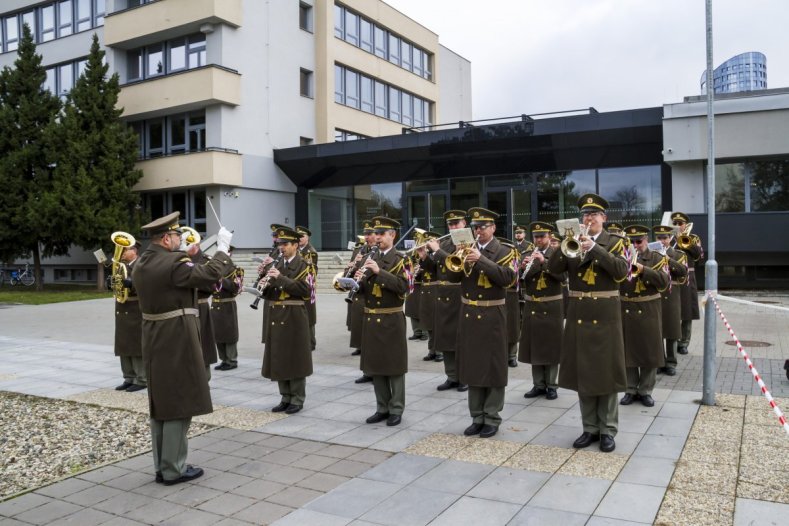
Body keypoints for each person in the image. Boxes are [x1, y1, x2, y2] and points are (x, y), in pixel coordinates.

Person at [133, 212, 234, 485]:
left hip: (154, 335)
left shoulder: (143, 261)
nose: (180, 240)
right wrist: (222, 250)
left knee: (162, 403)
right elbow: (210, 273)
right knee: (179, 401)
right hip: (176, 336)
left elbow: (180, 284)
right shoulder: (173, 262)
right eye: (177, 236)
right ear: (166, 238)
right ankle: (174, 469)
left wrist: (190, 258)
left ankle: (162, 464)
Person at [547, 194, 628, 453]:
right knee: (584, 374)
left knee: (605, 374)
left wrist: (594, 248)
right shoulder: (572, 241)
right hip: (579, 314)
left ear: (604, 218)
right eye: (585, 215)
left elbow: (621, 271)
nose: (588, 218)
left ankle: (608, 430)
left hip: (605, 315)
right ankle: (589, 428)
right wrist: (563, 245)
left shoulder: (616, 242)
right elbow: (553, 270)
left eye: (594, 214)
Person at [448, 207, 516, 438]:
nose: (479, 231)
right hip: (469, 315)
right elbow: (450, 277)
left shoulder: (505, 250)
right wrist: (455, 254)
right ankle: (476, 416)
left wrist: (481, 260)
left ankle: (492, 417)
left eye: (483, 227)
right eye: (475, 227)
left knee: (494, 367)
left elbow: (508, 278)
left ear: (493, 228)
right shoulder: (466, 249)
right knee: (473, 365)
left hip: (493, 314)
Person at [356, 216, 410, 427]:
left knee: (394, 366)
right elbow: (363, 289)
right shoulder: (369, 257)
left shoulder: (402, 259)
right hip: (371, 317)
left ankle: (396, 408)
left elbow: (404, 287)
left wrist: (379, 272)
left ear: (392, 235)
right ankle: (382, 407)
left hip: (391, 316)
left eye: (381, 234)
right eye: (375, 234)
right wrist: (352, 282)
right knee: (376, 364)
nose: (376, 238)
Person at [260, 226, 314, 414]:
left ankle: (297, 398)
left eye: (285, 244)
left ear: (295, 245)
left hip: (294, 314)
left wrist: (280, 278)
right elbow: (268, 293)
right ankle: (285, 396)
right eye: (279, 244)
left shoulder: (305, 265)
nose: (281, 248)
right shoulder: (277, 264)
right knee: (279, 355)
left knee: (295, 356)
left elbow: (306, 291)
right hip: (276, 314)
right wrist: (262, 278)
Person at [619, 225, 669, 408]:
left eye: (638, 241)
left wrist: (643, 270)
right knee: (628, 350)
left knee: (649, 350)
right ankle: (630, 389)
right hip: (626, 306)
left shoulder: (657, 258)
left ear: (646, 240)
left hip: (649, 307)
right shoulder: (622, 258)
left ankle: (645, 391)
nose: (635, 245)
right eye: (631, 242)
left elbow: (664, 282)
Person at [422, 210, 470, 392]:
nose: (453, 227)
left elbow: (455, 264)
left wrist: (437, 250)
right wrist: (424, 256)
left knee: (460, 339)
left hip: (459, 293)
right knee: (446, 337)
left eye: (457, 223)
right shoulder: (445, 242)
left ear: (464, 223)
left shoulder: (468, 242)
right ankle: (451, 376)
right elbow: (434, 270)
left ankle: (464, 377)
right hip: (443, 294)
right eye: (450, 224)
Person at [519, 222, 564, 400]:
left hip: (552, 305)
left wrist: (544, 262)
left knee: (551, 346)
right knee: (535, 345)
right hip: (533, 305)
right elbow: (522, 281)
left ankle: (552, 385)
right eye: (536, 236)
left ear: (549, 236)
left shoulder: (558, 254)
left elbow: (562, 277)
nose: (538, 240)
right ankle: (538, 385)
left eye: (542, 236)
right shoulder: (527, 254)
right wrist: (524, 269)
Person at [654, 225, 688, 376]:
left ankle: (671, 362)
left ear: (670, 238)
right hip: (656, 294)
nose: (662, 241)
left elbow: (682, 271)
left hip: (672, 293)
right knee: (657, 330)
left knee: (672, 329)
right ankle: (659, 362)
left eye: (665, 238)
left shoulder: (678, 254)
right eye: (659, 238)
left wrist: (667, 260)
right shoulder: (651, 253)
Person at [113, 241, 146, 392]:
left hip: (134, 308)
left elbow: (146, 283)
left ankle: (141, 378)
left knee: (135, 344)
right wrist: (112, 284)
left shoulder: (141, 264)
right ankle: (128, 377)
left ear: (134, 250)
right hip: (122, 307)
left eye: (125, 250)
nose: (123, 253)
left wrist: (131, 284)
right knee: (123, 343)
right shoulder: (122, 266)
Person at [672, 212, 704, 355]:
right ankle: (672, 341)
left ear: (686, 224)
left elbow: (699, 256)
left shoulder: (694, 238)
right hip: (672, 277)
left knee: (687, 311)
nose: (678, 226)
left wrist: (687, 242)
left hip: (688, 276)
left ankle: (684, 343)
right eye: (676, 224)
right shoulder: (668, 237)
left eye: (681, 223)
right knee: (673, 310)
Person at [349, 221, 376, 383]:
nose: (366, 237)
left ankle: (375, 371)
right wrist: (352, 267)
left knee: (372, 339)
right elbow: (349, 272)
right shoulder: (359, 251)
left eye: (370, 234)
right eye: (365, 234)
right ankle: (367, 371)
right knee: (362, 337)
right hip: (359, 296)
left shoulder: (378, 253)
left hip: (372, 298)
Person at [211, 247, 244, 371]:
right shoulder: (214, 268)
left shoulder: (236, 270)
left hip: (227, 304)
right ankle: (223, 359)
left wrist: (221, 280)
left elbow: (236, 288)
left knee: (229, 334)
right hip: (215, 304)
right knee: (217, 333)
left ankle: (231, 360)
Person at [416, 232, 442, 361]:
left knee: (437, 324)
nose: (428, 245)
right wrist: (422, 258)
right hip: (425, 290)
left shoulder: (439, 255)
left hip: (436, 289)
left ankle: (439, 351)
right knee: (429, 323)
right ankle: (431, 350)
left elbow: (436, 269)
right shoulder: (428, 256)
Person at [498, 237, 521, 368]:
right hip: (499, 293)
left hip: (511, 294)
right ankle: (502, 354)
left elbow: (517, 276)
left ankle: (512, 355)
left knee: (512, 326)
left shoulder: (514, 258)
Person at [296, 226, 318, 351]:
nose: (300, 239)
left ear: (308, 237)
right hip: (298, 284)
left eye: (302, 236)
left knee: (309, 315)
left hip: (308, 286)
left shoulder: (311, 252)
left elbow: (312, 270)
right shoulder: (297, 249)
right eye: (298, 236)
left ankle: (311, 343)